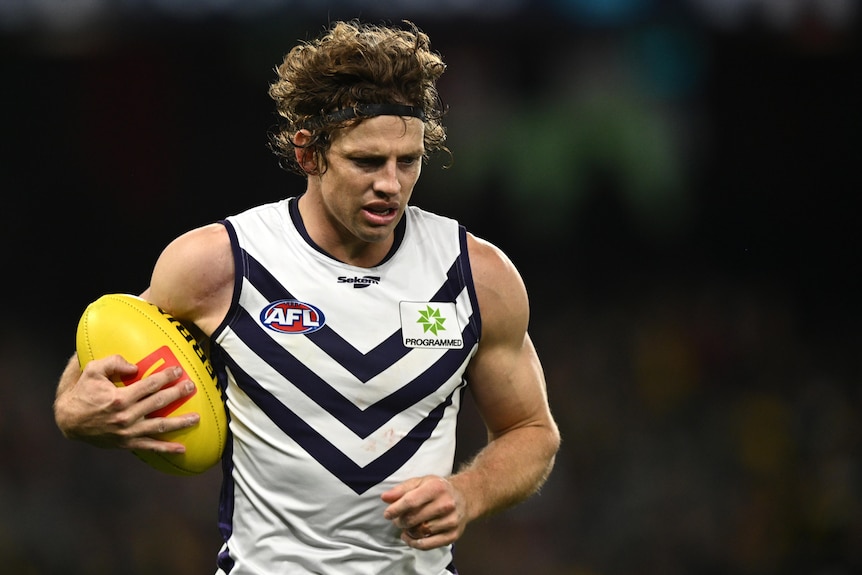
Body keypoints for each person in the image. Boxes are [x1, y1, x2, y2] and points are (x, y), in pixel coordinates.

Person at [53, 19, 560, 574]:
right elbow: (104, 350)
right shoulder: (222, 263)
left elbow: (531, 431)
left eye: (407, 161)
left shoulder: (475, 276)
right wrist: (73, 409)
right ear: (308, 153)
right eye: (366, 161)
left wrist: (469, 493)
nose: (390, 183)